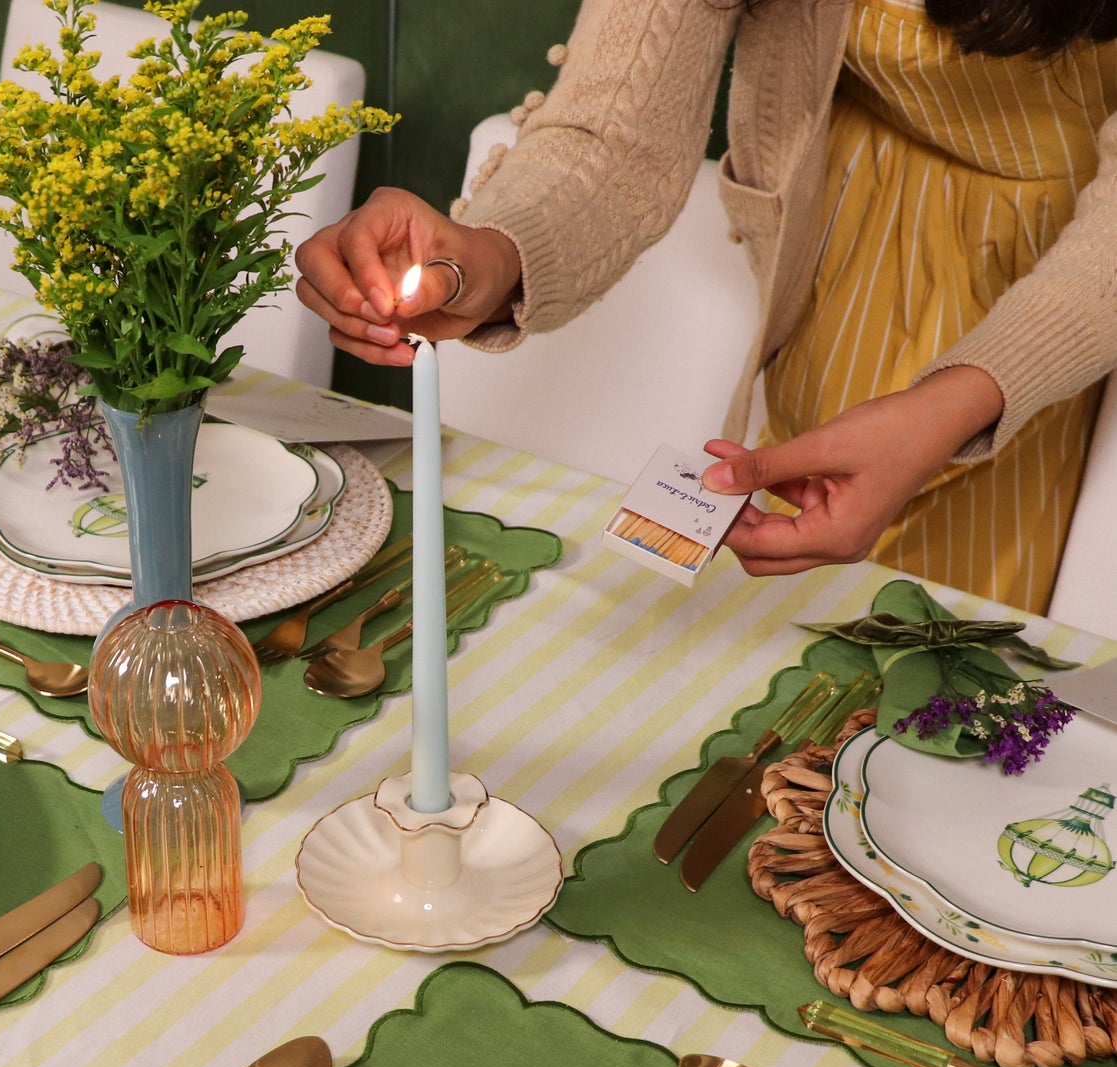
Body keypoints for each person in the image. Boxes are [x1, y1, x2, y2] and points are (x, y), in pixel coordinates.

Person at [294, 0, 1117, 612]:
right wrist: (487, 255)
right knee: (801, 635)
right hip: (837, 251)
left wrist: (960, 402)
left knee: (946, 666)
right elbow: (617, 128)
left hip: (1060, 296)